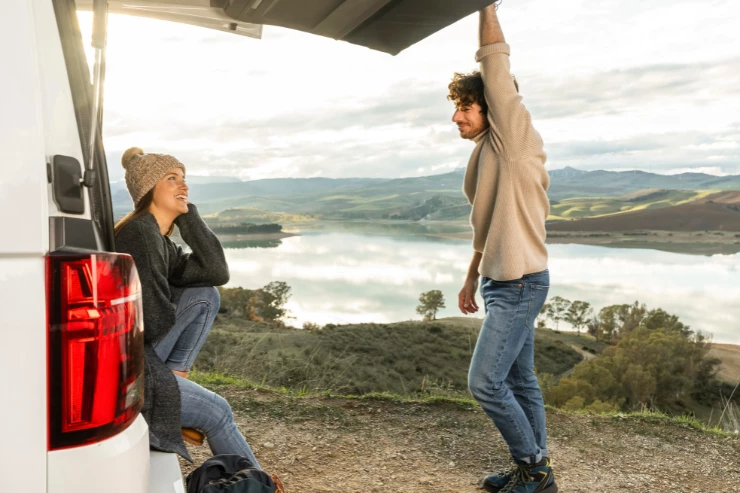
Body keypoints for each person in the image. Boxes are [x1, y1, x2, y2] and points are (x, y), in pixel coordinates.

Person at [448, 4, 557, 493]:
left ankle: (534, 467)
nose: (456, 116)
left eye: (465, 108)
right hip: (500, 280)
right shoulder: (486, 154)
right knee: (520, 381)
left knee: (485, 383)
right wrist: (473, 274)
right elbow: (487, 225)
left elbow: (495, 62)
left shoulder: (512, 136)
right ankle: (536, 471)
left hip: (519, 283)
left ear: (494, 107)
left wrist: (485, 7)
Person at [115, 147, 261, 469]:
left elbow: (215, 272)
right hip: (133, 366)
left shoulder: (160, 240)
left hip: (145, 353)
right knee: (218, 412)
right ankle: (256, 487)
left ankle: (175, 376)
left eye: (184, 179)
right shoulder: (140, 233)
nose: (184, 186)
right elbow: (151, 324)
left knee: (205, 294)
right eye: (172, 178)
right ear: (148, 189)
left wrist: (188, 215)